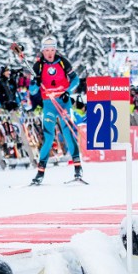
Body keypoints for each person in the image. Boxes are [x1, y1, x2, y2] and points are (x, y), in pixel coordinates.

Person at [29, 36, 82, 185]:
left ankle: (78, 169)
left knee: (68, 132)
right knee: (48, 136)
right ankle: (40, 173)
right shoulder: (37, 67)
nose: (50, 53)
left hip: (64, 103)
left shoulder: (62, 61)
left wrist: (68, 91)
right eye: (47, 50)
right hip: (49, 104)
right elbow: (32, 91)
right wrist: (36, 82)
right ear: (42, 51)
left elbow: (76, 79)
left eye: (52, 49)